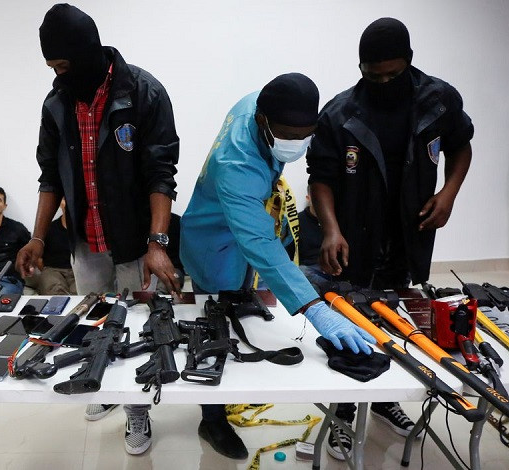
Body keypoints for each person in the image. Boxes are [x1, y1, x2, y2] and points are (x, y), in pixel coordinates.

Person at [181, 73, 375, 460]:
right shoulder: (236, 162)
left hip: (246, 219)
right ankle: (212, 419)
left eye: (304, 134)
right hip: (214, 240)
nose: (296, 143)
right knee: (214, 330)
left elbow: (257, 236)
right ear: (263, 122)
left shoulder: (260, 101)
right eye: (287, 134)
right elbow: (258, 243)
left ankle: (231, 393)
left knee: (247, 318)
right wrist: (315, 308)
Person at [14, 4, 180, 456]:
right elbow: (50, 174)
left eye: (63, 65)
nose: (57, 75)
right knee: (97, 322)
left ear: (87, 52)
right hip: (85, 242)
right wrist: (38, 237)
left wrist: (157, 243)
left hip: (133, 243)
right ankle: (103, 384)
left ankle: (137, 412)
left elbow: (161, 173)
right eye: (51, 67)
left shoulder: (143, 92)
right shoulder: (57, 103)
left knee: (139, 327)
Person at [306, 18, 474, 460]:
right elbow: (320, 177)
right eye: (372, 73)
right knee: (351, 324)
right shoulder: (340, 113)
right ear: (360, 66)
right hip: (354, 236)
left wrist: (448, 194)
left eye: (392, 74)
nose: (382, 82)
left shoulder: (439, 100)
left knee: (397, 320)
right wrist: (331, 229)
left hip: (409, 232)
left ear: (410, 62)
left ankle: (382, 399)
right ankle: (343, 412)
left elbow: (461, 145)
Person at [35, 199, 76, 295]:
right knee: (56, 292)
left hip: (77, 272)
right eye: (65, 199)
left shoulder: (85, 229)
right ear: (60, 203)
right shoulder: (48, 228)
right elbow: (38, 259)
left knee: (79, 295)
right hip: (53, 270)